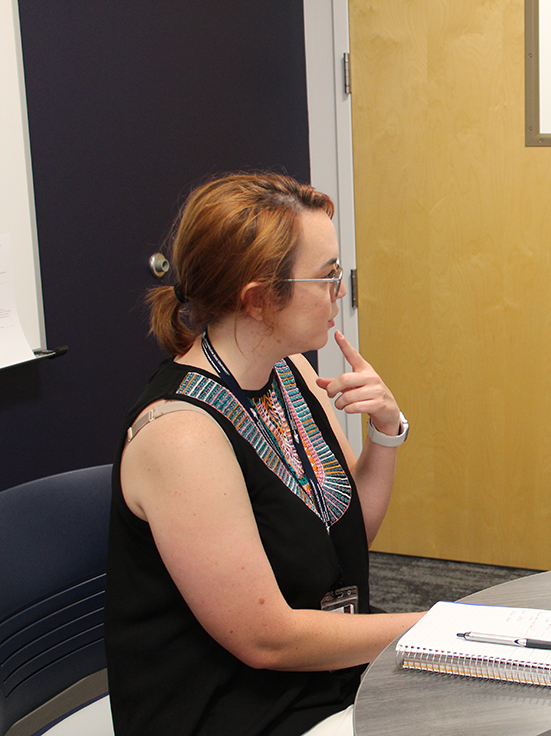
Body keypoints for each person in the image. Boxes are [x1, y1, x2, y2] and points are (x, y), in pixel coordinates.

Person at [106, 172, 424, 736]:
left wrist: (385, 431)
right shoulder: (181, 436)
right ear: (257, 299)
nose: (339, 292)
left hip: (323, 677)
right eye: (326, 277)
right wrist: (437, 623)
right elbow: (267, 640)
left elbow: (344, 541)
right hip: (235, 707)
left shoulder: (291, 372)